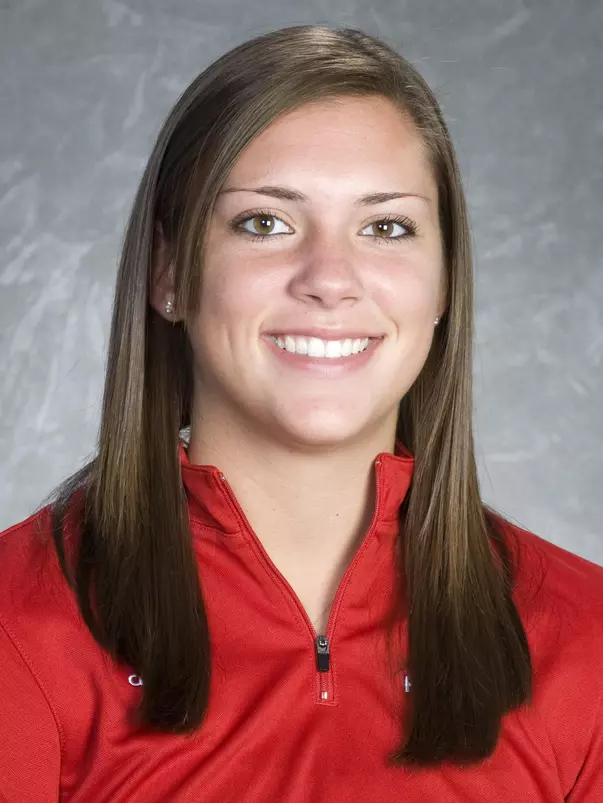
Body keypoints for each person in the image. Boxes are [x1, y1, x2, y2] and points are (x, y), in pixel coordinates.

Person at [0, 23, 602, 803]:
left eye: (385, 227)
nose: (329, 278)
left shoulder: (586, 640)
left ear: (444, 285)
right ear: (169, 271)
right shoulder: (17, 628)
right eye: (264, 223)